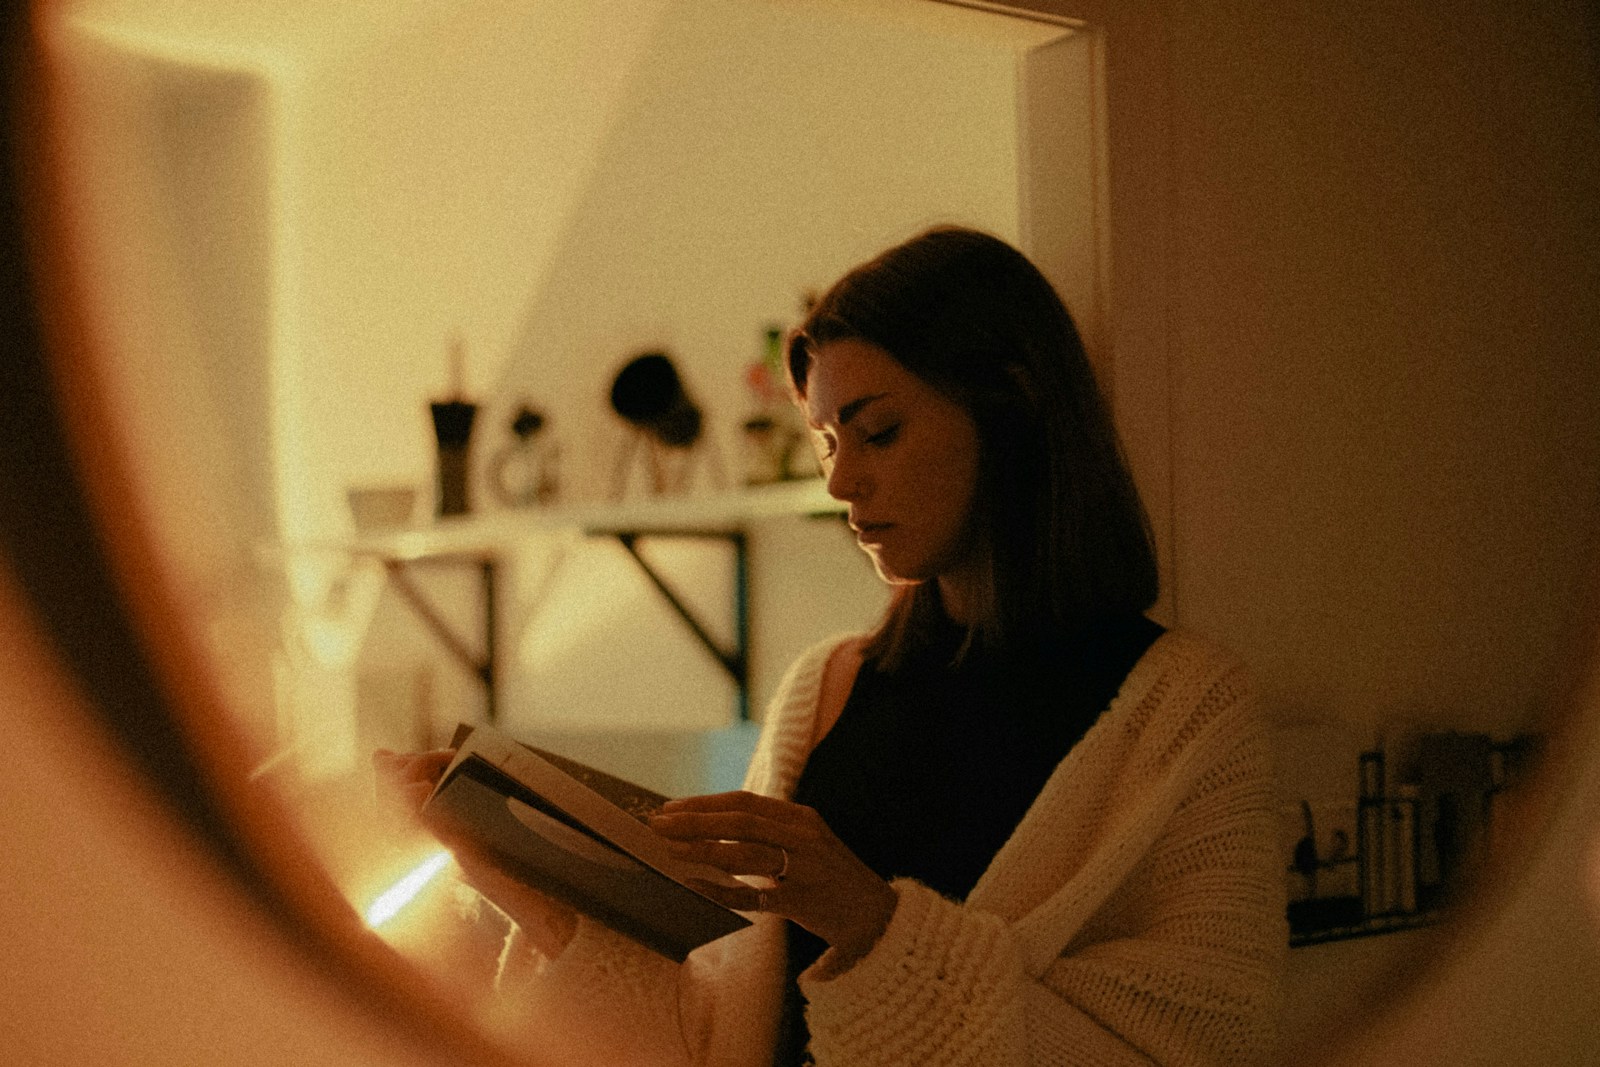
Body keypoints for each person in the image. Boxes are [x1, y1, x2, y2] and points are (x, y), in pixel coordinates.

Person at [378, 226, 1285, 1066]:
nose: (845, 480)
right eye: (824, 442)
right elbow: (725, 1027)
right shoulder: (827, 688)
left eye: (879, 431)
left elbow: (1208, 1043)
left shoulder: (1187, 714)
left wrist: (871, 924)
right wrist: (527, 880)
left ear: (1010, 407)